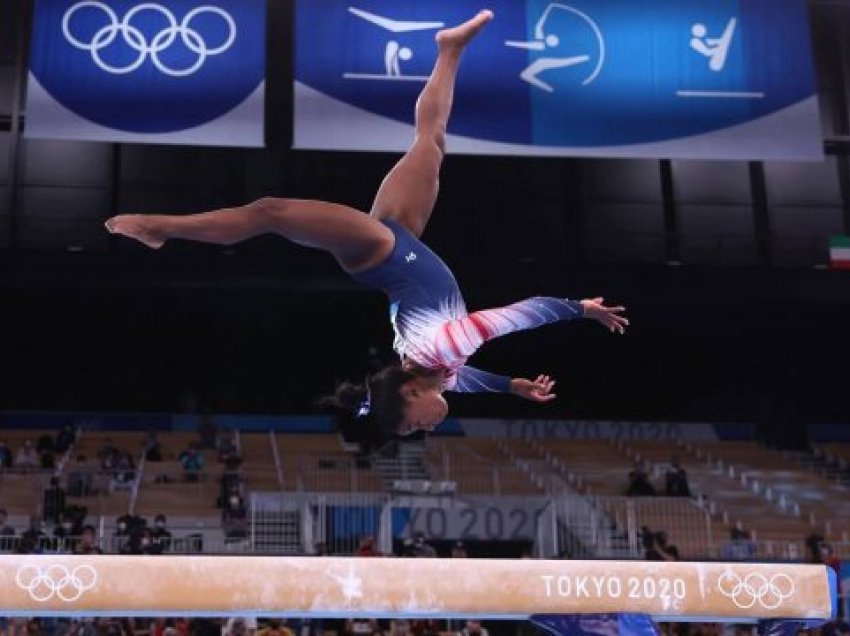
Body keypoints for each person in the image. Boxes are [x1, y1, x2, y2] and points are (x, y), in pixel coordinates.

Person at [105, 10, 628, 442]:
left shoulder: (437, 354)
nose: (422, 430)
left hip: (378, 253)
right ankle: (450, 49)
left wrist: (578, 309)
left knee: (270, 212)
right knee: (431, 142)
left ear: (409, 395)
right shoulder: (438, 371)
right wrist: (511, 388)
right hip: (403, 241)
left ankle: (162, 226)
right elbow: (464, 379)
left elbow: (516, 316)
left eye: (410, 427)